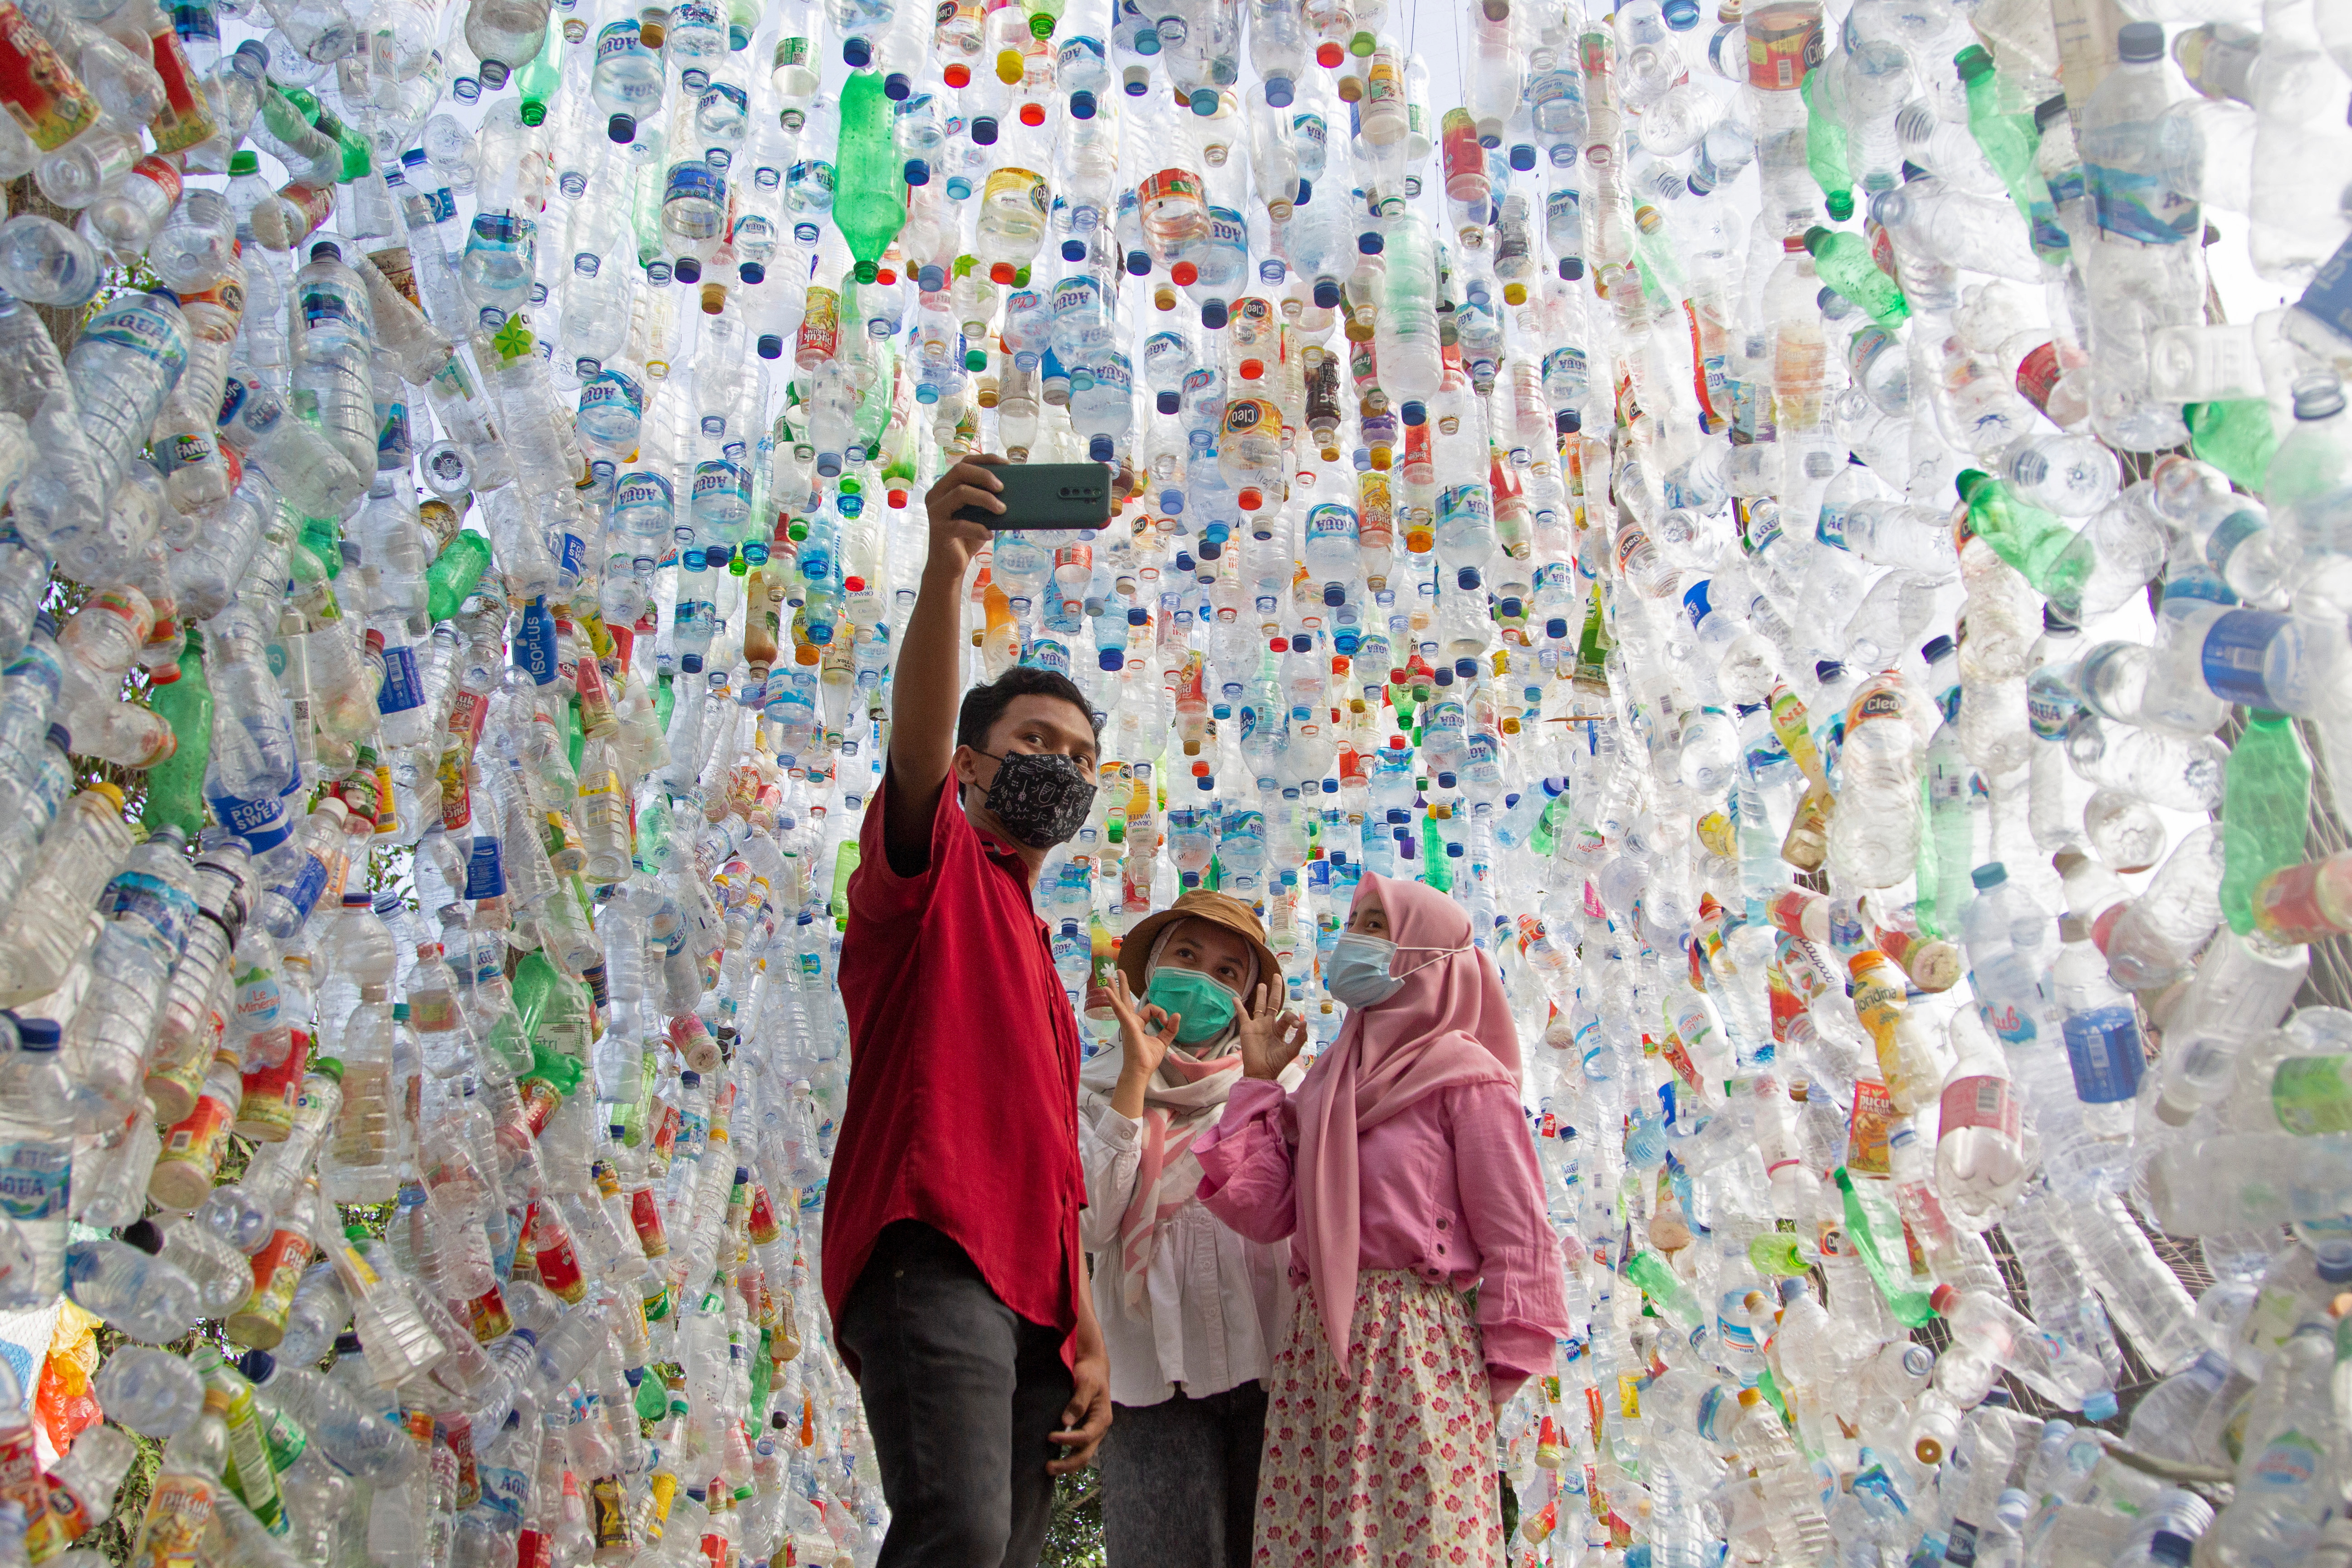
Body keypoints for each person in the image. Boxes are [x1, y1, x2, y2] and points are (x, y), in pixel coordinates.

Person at [826, 453, 1114, 1568]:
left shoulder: (1048, 973)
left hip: (1040, 1312)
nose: (1063, 767)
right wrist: (948, 572)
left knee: (1007, 1555)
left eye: (1083, 757)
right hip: (933, 1249)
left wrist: (1088, 1336)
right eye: (1036, 743)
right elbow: (916, 734)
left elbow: (1058, 1179)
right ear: (971, 767)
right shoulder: (932, 871)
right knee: (956, 1533)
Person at [1194, 871, 1570, 1564]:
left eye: (1375, 926)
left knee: (1417, 1543)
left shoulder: (1467, 1079)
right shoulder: (1328, 1083)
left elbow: (1520, 1239)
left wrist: (1493, 1380)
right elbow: (1269, 1209)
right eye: (1355, 921)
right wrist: (1257, 1081)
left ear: (1427, 954)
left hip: (1418, 1349)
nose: (1352, 940)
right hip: (1315, 1353)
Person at [1080, 891, 1307, 1567]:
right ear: (1152, 970)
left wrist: (1260, 1096)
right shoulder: (1091, 1085)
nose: (1203, 978)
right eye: (1186, 956)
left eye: (1227, 972)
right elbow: (1092, 1225)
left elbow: (1300, 1216)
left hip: (1275, 1372)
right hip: (1151, 1384)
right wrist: (1133, 1078)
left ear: (1249, 996)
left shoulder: (1284, 1085)